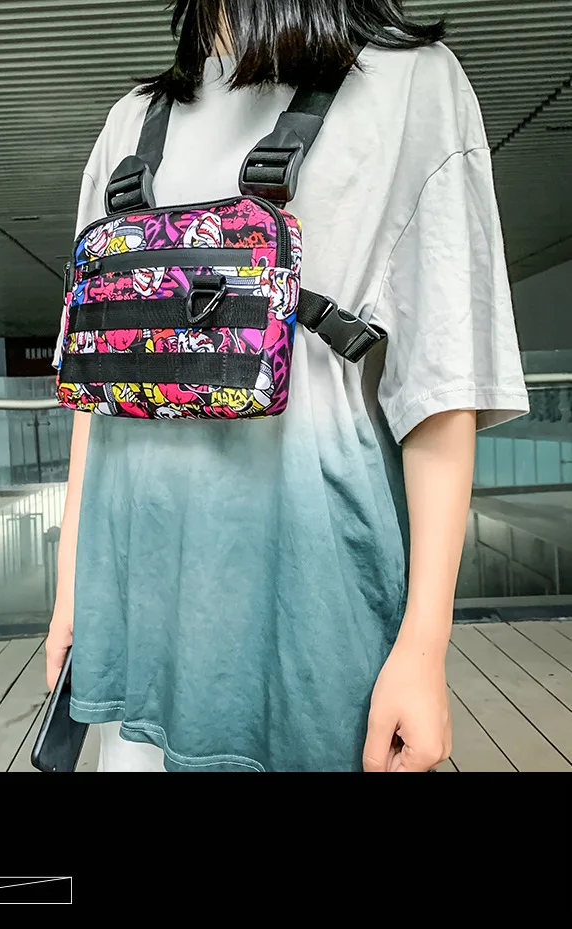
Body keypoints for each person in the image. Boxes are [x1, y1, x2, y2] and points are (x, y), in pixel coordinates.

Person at [46, 0, 529, 772]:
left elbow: (441, 392)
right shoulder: (131, 122)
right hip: (132, 622)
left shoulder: (413, 83)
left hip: (309, 626)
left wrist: (423, 645)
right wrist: (71, 588)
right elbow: (94, 385)